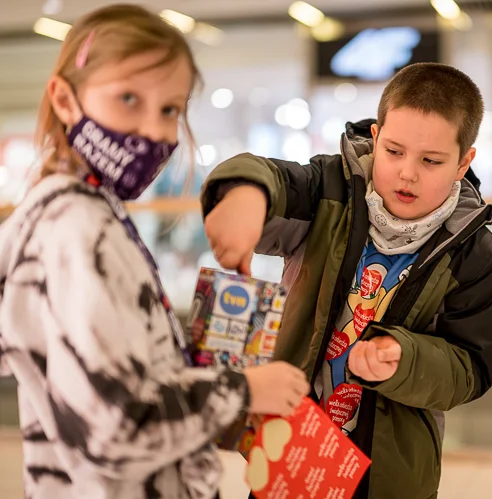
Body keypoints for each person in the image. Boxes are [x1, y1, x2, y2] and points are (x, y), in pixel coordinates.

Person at [0, 5, 308, 498]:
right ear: (64, 99)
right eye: (127, 98)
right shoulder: (77, 230)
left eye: (170, 109)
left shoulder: (77, 211)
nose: (154, 131)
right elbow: (114, 429)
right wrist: (244, 390)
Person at [201, 63, 492, 499]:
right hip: (290, 447)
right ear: (377, 136)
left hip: (389, 472)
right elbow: (266, 175)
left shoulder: (478, 256)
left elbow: (469, 369)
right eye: (394, 151)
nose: (407, 173)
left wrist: (404, 356)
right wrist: (245, 195)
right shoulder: (330, 191)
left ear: (464, 162)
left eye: (431, 161)